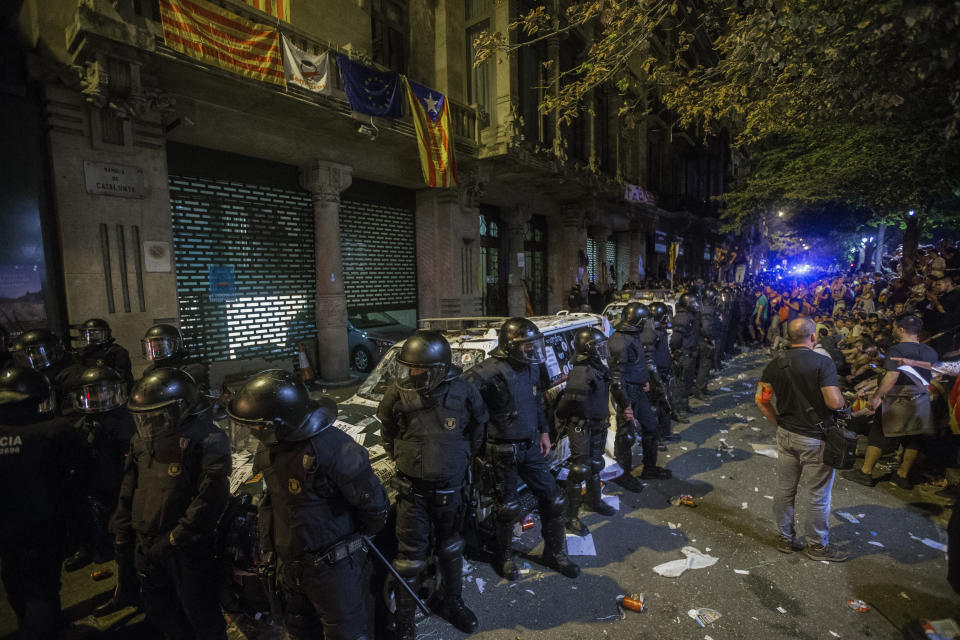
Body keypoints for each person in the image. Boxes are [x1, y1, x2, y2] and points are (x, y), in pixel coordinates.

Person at [228, 370, 388, 640]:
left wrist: (353, 541)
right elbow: (271, 502)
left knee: (345, 631)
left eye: (258, 427)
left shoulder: (334, 448)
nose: (253, 433)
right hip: (288, 565)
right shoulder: (271, 446)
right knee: (300, 629)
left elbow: (373, 505)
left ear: (283, 421)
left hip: (331, 567)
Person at [377, 331, 488, 638]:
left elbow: (478, 427)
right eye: (409, 368)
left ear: (438, 369)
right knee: (409, 560)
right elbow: (387, 429)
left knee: (451, 547)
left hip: (451, 487)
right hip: (413, 491)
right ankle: (405, 624)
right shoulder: (397, 394)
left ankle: (452, 603)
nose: (412, 375)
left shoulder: (463, 390)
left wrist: (458, 459)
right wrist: (403, 456)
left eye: (419, 370)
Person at [112, 368, 231, 639]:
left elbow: (210, 497)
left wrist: (176, 537)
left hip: (184, 547)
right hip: (146, 541)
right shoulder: (143, 440)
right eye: (143, 417)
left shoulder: (207, 438)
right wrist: (122, 525)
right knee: (160, 611)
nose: (149, 422)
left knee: (200, 616)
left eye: (156, 415)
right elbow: (130, 485)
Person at [465, 317, 579, 580]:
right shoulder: (486, 372)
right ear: (510, 345)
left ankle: (554, 553)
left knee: (554, 498)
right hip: (501, 451)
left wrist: (544, 431)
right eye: (526, 344)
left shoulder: (531, 367)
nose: (532, 349)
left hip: (529, 447)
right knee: (506, 509)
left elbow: (537, 400)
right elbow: (463, 407)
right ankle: (503, 557)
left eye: (533, 344)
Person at [0, 366, 84, 639]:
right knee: (43, 586)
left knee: (13, 579)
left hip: (6, 525)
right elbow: (77, 471)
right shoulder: (53, 428)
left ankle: (31, 624)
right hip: (43, 522)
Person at [755, 318, 848, 562]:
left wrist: (778, 423)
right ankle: (817, 546)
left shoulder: (776, 364)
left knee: (785, 489)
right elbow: (834, 402)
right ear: (814, 337)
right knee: (818, 494)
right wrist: (844, 402)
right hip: (815, 438)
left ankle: (784, 538)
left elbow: (761, 399)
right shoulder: (823, 363)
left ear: (788, 337)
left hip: (786, 435)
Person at [68, 365, 141, 615]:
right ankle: (127, 587)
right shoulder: (81, 424)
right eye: (92, 394)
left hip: (124, 491)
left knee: (126, 543)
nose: (98, 399)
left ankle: (130, 590)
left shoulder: (126, 421)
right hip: (98, 493)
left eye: (104, 393)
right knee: (110, 543)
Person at [841, 315, 938, 490]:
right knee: (913, 439)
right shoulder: (931, 351)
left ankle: (866, 472)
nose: (892, 330)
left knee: (879, 435)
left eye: (894, 327)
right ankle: (902, 475)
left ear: (901, 330)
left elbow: (892, 376)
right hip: (921, 400)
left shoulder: (897, 350)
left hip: (899, 397)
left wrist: (877, 396)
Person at [555, 327, 618, 536]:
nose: (603, 350)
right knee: (579, 470)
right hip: (582, 425)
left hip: (597, 423)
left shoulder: (597, 367)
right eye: (598, 347)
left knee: (595, 464)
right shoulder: (581, 371)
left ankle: (594, 501)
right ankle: (570, 517)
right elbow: (569, 405)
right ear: (588, 348)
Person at [608, 303, 669, 490]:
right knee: (625, 436)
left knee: (651, 426)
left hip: (638, 390)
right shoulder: (620, 341)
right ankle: (623, 474)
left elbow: (637, 362)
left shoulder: (632, 335)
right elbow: (617, 380)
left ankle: (649, 469)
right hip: (627, 393)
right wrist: (625, 405)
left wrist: (644, 380)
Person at [11, 328, 76, 415]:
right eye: (26, 354)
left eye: (35, 352)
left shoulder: (68, 374)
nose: (31, 357)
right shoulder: (27, 378)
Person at [141, 324, 210, 391]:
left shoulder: (192, 371)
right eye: (152, 347)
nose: (155, 350)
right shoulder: (149, 372)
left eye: (159, 346)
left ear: (175, 345)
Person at [74, 318, 133, 387]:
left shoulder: (116, 352)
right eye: (88, 334)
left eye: (97, 334)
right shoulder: (82, 353)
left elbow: (124, 378)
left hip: (110, 389)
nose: (92, 337)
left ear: (106, 334)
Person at [670, 293, 701, 417]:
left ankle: (684, 406)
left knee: (687, 382)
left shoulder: (690, 315)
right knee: (681, 383)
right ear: (687, 304)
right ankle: (677, 410)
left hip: (690, 353)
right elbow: (675, 339)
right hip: (684, 354)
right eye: (693, 303)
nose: (696, 305)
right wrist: (676, 351)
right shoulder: (682, 317)